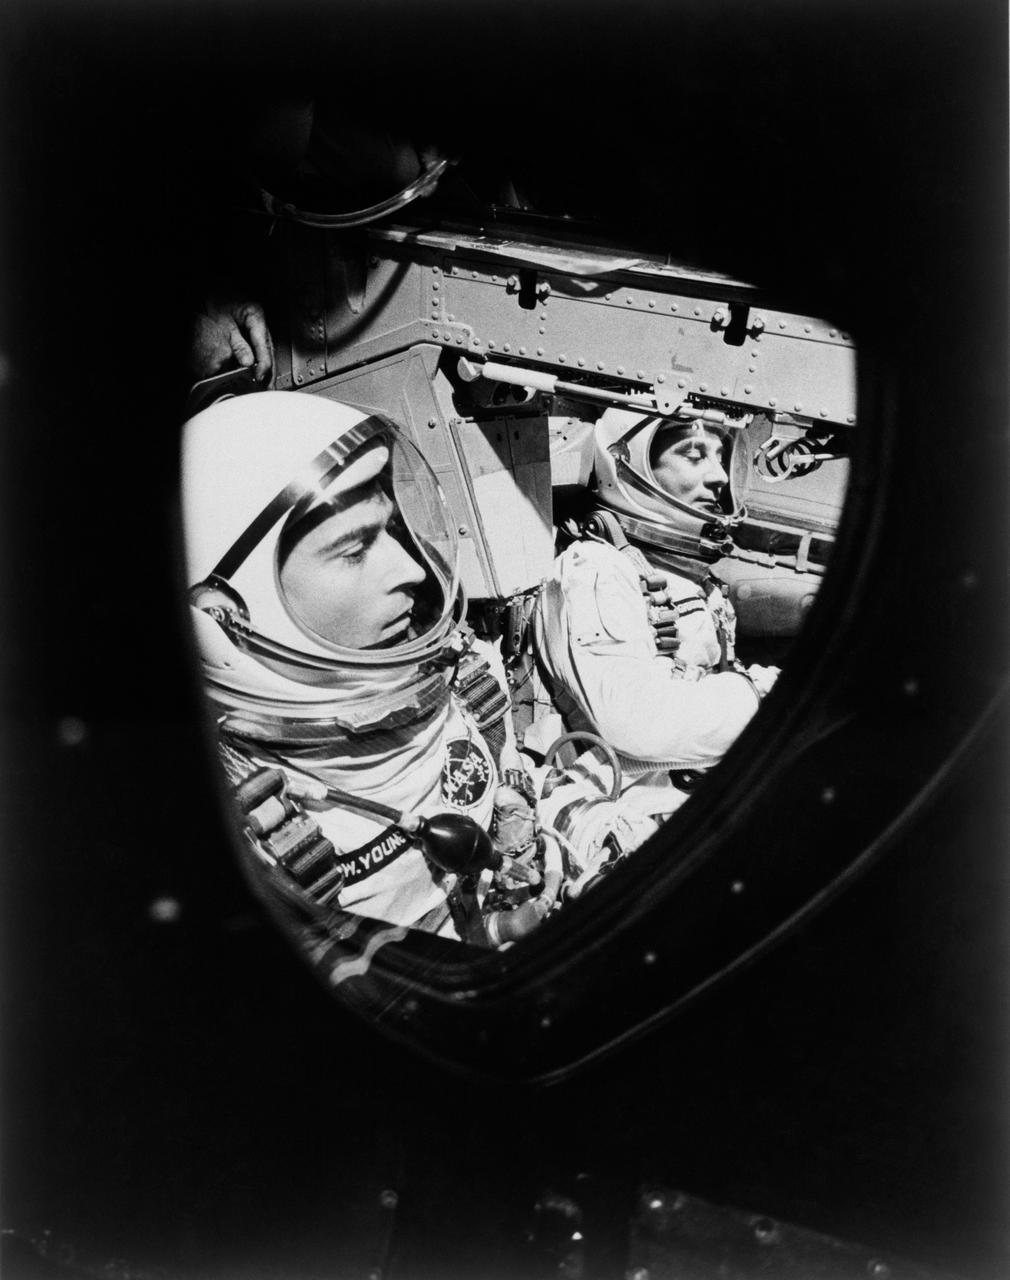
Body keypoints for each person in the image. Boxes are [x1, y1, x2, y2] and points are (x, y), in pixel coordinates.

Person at [182, 390, 649, 945]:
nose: (409, 568)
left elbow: (517, 790)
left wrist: (593, 846)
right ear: (226, 619)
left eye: (394, 530)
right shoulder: (252, 839)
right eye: (354, 550)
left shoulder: (465, 681)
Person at [532, 406, 778, 837]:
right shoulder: (596, 570)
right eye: (694, 454)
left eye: (720, 456)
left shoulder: (691, 577)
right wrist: (760, 695)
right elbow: (638, 723)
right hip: (629, 807)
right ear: (628, 467)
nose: (720, 476)